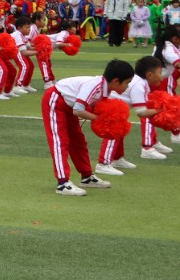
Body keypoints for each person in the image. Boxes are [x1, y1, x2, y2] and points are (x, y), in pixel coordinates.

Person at [42, 59, 134, 196]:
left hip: (68, 105)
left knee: (78, 140)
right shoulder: (95, 86)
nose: (127, 87)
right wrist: (100, 119)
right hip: (55, 100)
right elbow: (78, 110)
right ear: (116, 81)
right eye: (127, 83)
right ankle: (62, 183)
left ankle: (87, 177)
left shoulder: (106, 90)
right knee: (60, 141)